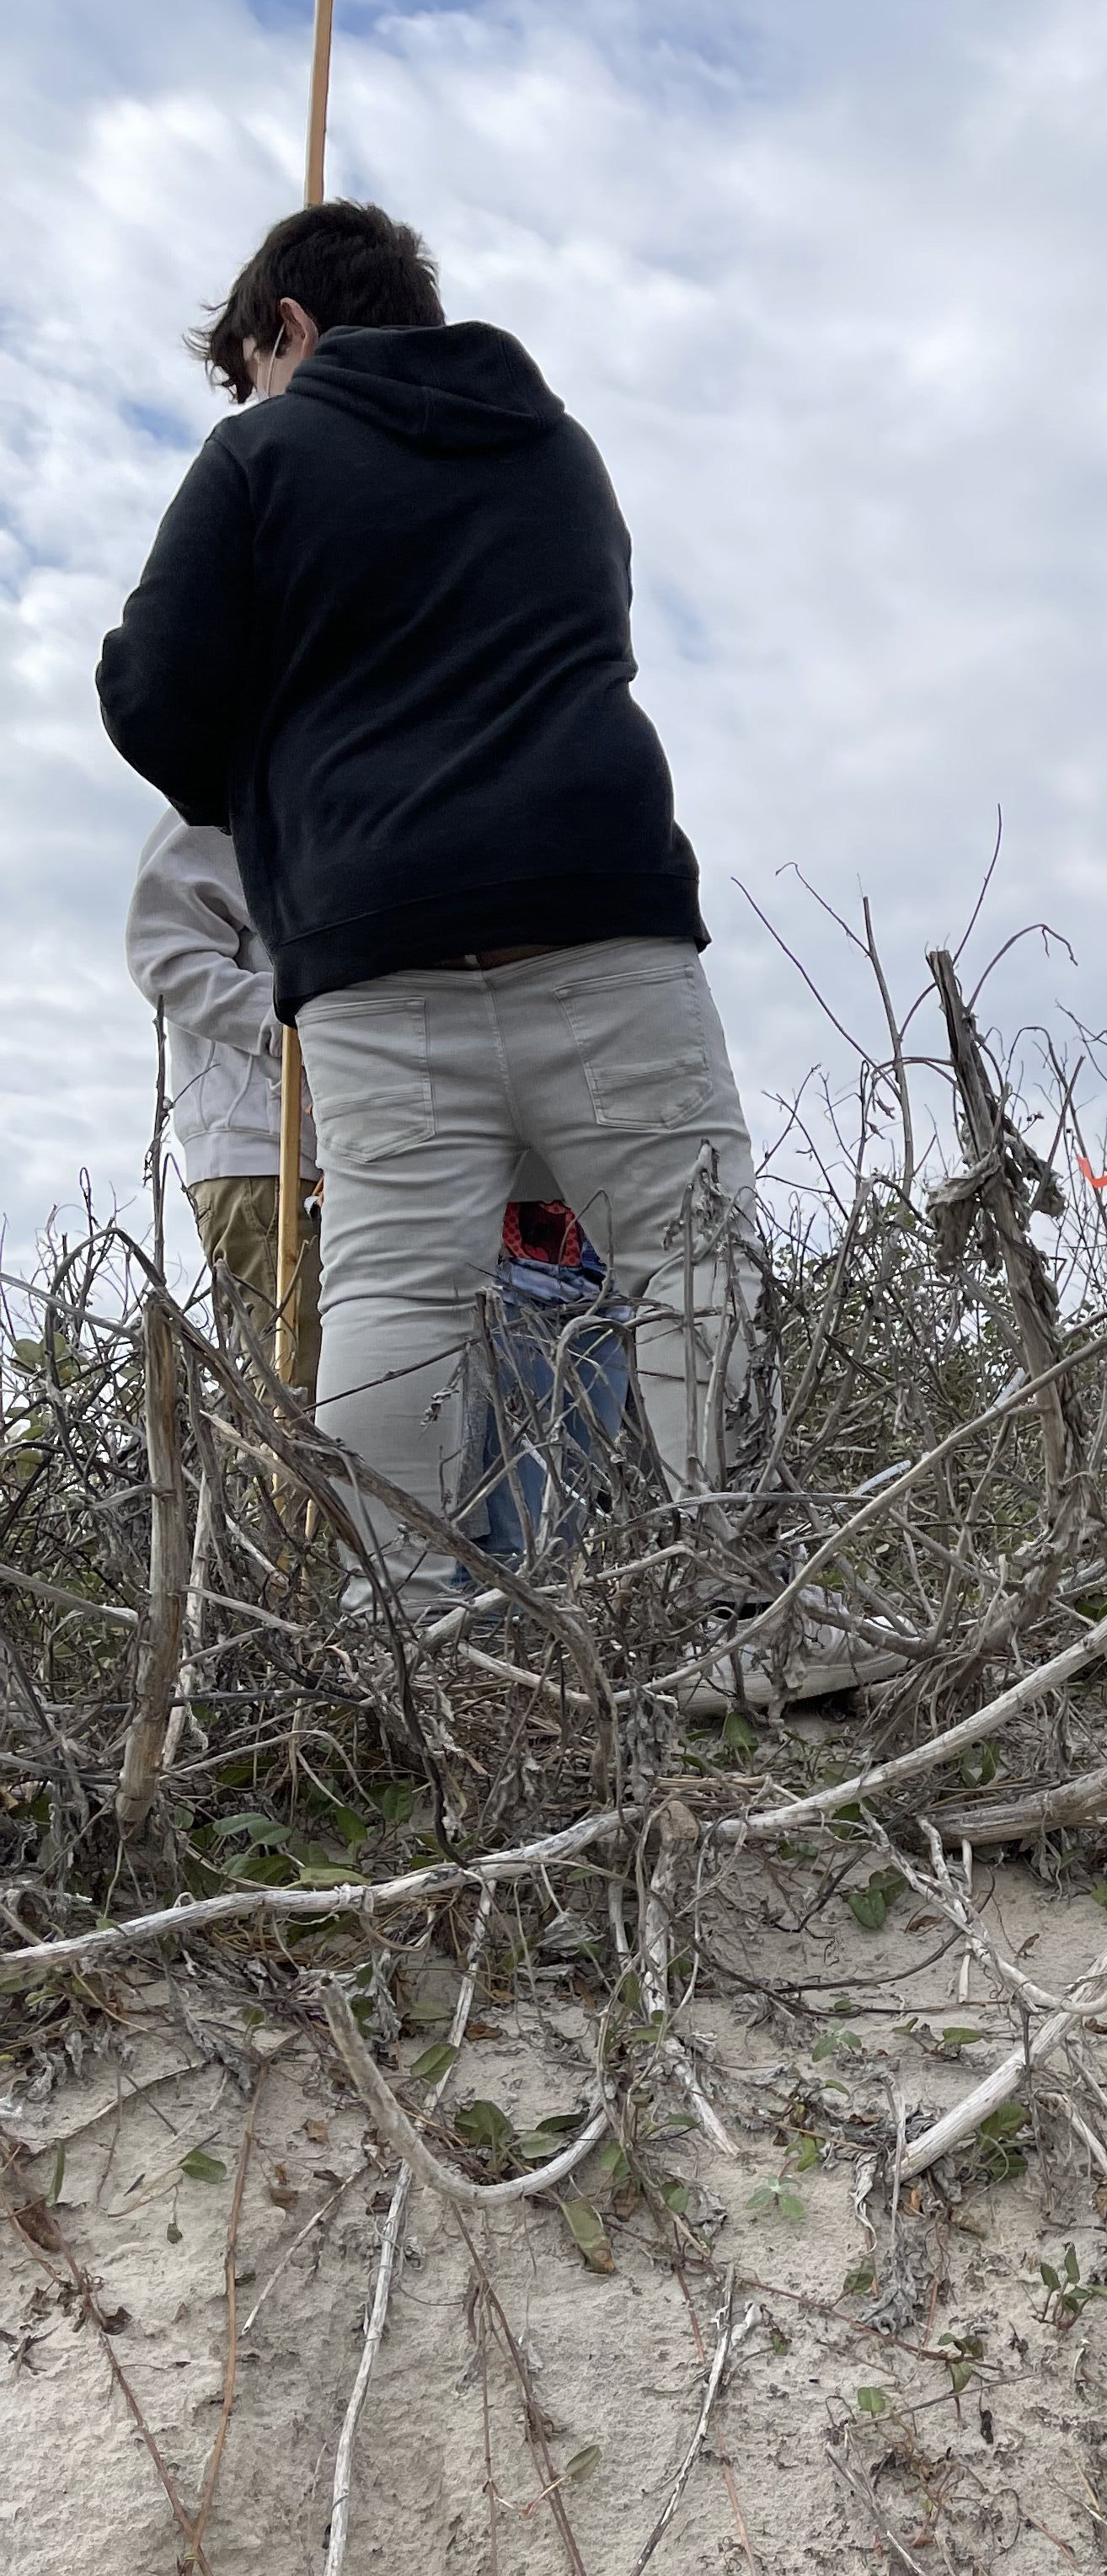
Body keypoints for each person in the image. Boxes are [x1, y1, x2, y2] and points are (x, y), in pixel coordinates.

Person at [95, 200, 757, 1613]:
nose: (251, 393)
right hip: (603, 911)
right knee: (692, 1265)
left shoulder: (259, 453)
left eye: (248, 361)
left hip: (377, 948)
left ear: (288, 328)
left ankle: (399, 1629)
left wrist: (286, 766)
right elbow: (605, 625)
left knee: (393, 1295)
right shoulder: (560, 450)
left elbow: (150, 695)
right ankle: (741, 1600)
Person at [126, 808, 318, 1388]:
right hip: (265, 1151)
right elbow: (164, 957)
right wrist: (299, 1022)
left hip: (339, 1151)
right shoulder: (218, 804)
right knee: (298, 1411)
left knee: (340, 1403)